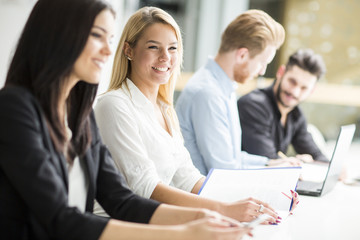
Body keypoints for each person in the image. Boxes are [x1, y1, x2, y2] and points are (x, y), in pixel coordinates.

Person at [0, 1, 252, 239]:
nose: (109, 50)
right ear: (58, 34)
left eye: (110, 39)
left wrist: (208, 216)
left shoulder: (80, 114)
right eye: (97, 36)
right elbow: (60, 219)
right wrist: (185, 233)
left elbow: (121, 199)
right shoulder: (14, 108)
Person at [94, 6, 291, 224]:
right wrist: (224, 209)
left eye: (172, 48)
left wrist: (258, 202)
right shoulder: (114, 105)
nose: (165, 57)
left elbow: (187, 177)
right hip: (121, 227)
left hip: (157, 221)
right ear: (128, 50)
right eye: (153, 47)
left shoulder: (165, 109)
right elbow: (145, 187)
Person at [175, 9, 303, 176]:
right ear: (242, 55)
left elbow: (232, 158)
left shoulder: (222, 87)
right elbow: (224, 170)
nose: (262, 71)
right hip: (204, 197)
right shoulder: (208, 93)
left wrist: (270, 163)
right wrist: (272, 170)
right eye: (262, 63)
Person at [237, 49, 328, 162]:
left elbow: (316, 155)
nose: (295, 92)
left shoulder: (296, 114)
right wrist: (300, 162)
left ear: (311, 91)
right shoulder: (253, 105)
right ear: (281, 72)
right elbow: (268, 161)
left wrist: (332, 166)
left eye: (303, 88)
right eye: (292, 82)